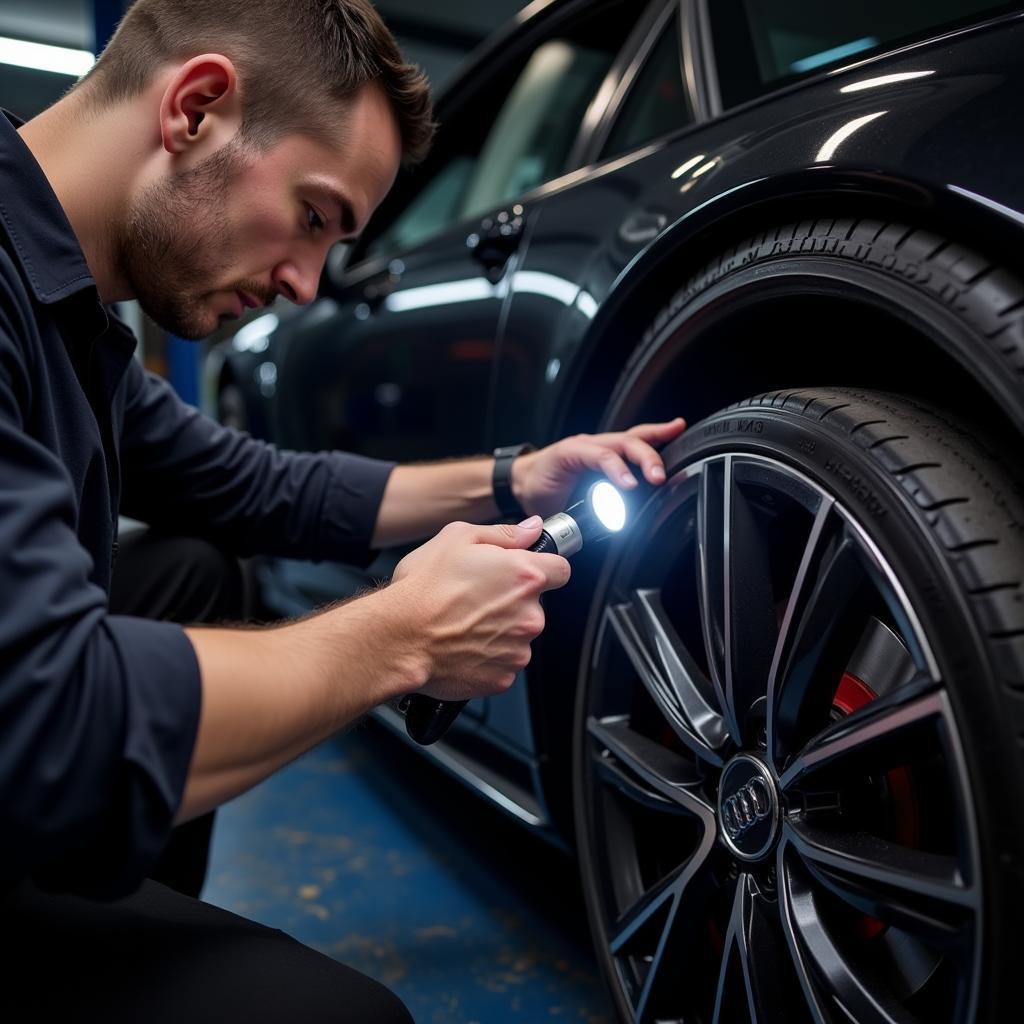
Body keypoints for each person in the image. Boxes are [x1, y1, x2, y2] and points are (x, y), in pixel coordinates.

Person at [0, 0, 686, 1019]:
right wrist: (403, 637)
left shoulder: (74, 316)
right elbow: (58, 722)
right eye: (315, 216)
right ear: (195, 110)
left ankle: (116, 905)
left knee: (196, 565)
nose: (308, 284)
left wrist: (515, 475)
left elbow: (257, 485)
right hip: (33, 755)